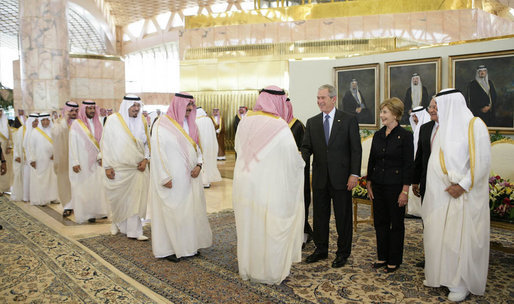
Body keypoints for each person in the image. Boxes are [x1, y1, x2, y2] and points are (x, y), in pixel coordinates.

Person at [422, 89, 491, 302]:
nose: (434, 110)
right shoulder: (444, 128)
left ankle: (460, 283)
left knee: (458, 241)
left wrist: (462, 185)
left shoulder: (474, 125)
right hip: (441, 196)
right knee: (440, 238)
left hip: (462, 196)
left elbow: (481, 161)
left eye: (437, 106)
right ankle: (443, 275)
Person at [233, 86, 304, 284]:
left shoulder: (245, 120)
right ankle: (270, 272)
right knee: (271, 226)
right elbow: (291, 159)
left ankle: (249, 268)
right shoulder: (280, 126)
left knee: (249, 225)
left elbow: (239, 148)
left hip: (244, 184)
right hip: (270, 186)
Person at [301, 84, 362, 268]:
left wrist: (354, 174)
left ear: (333, 99)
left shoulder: (349, 120)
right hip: (319, 178)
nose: (320, 101)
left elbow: (356, 150)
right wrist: (298, 160)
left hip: (343, 179)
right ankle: (321, 249)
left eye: (323, 98)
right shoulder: (312, 122)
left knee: (343, 217)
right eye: (318, 98)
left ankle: (343, 253)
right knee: (320, 216)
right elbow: (306, 148)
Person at [149, 92, 212, 262]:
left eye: (192, 106)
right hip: (172, 180)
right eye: (187, 105)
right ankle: (168, 249)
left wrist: (199, 165)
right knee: (172, 213)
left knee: (190, 213)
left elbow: (198, 148)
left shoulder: (191, 125)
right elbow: (157, 153)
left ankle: (189, 247)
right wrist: (164, 177)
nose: (190, 109)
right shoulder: (161, 126)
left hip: (191, 179)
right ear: (177, 105)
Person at [366, 97, 414, 273]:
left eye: (384, 112)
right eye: (381, 112)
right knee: (380, 222)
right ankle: (382, 256)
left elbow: (409, 165)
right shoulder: (378, 135)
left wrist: (405, 191)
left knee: (396, 224)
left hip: (396, 187)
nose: (381, 115)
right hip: (378, 184)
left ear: (395, 114)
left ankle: (394, 259)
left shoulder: (406, 136)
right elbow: (372, 160)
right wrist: (369, 183)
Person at [101, 95, 150, 241]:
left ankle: (135, 231)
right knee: (119, 199)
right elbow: (106, 144)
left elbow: (147, 143)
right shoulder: (113, 121)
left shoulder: (143, 121)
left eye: (138, 105)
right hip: (119, 168)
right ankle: (116, 222)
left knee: (136, 200)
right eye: (133, 105)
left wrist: (146, 159)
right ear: (125, 105)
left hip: (138, 168)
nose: (136, 108)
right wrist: (107, 166)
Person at [69, 100, 109, 224]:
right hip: (82, 161)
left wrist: (102, 156)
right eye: (89, 108)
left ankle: (99, 211)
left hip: (97, 162)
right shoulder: (76, 124)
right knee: (85, 188)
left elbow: (103, 141)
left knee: (98, 187)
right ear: (84, 109)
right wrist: (74, 162)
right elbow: (72, 144)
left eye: (93, 108)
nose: (92, 111)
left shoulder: (99, 123)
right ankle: (88, 213)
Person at [285, 98, 312, 248]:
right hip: (283, 174)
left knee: (299, 203)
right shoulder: (278, 125)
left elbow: (305, 150)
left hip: (297, 172)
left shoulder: (298, 125)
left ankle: (302, 234)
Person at [53, 101, 79, 216]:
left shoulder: (80, 123)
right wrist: (64, 121)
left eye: (76, 111)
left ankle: (79, 205)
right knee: (65, 182)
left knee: (79, 182)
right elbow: (55, 135)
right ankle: (68, 206)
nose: (74, 113)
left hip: (78, 158)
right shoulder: (59, 123)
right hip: (65, 158)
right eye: (71, 111)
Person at [406, 106, 431, 217]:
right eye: (413, 117)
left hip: (423, 163)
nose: (414, 119)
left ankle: (420, 211)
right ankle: (414, 210)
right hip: (415, 162)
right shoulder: (417, 128)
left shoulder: (425, 128)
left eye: (416, 116)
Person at [28, 113, 58, 206]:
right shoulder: (35, 132)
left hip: (51, 160)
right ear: (40, 121)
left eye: (47, 120)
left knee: (53, 179)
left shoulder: (53, 131)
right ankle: (42, 199)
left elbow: (57, 145)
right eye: (43, 120)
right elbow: (30, 147)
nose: (45, 122)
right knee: (41, 179)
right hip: (40, 160)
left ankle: (53, 197)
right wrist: (32, 160)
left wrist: (55, 154)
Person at [196, 107, 222, 188]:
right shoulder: (209, 120)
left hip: (200, 146)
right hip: (209, 145)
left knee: (201, 162)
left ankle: (203, 181)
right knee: (208, 162)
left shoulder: (196, 121)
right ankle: (207, 181)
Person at [19, 113, 39, 202]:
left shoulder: (39, 131)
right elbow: (23, 146)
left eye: (37, 121)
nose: (36, 123)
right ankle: (28, 196)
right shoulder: (25, 131)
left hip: (39, 159)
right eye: (35, 121)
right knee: (29, 178)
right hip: (29, 160)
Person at [0, 109, 12, 195]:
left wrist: (9, 146)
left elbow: (10, 136)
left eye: (1, 111)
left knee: (5, 166)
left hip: (4, 148)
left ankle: (5, 187)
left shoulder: (6, 123)